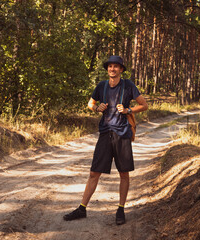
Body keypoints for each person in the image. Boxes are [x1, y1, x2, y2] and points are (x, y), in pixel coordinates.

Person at [63, 55, 148, 225]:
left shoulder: (128, 85)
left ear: (121, 69)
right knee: (94, 172)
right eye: (110, 66)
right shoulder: (101, 86)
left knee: (124, 173)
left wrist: (128, 110)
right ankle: (81, 209)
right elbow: (90, 103)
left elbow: (144, 105)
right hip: (105, 133)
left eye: (116, 66)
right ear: (107, 69)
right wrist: (96, 107)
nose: (112, 69)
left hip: (122, 134)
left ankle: (121, 209)